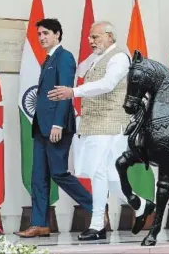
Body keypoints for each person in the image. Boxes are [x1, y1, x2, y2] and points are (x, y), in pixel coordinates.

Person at [47, 21, 152, 241]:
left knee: (98, 172)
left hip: (111, 124)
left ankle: (97, 225)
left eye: (95, 37)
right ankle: (140, 204)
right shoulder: (98, 58)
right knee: (107, 174)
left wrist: (73, 91)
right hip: (95, 124)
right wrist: (92, 57)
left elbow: (108, 84)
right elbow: (81, 70)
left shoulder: (119, 58)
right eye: (89, 38)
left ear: (110, 36)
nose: (90, 41)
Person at [14, 18, 92, 238]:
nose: (41, 38)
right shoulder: (47, 60)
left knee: (58, 173)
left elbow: (64, 93)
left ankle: (95, 209)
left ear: (57, 34)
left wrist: (58, 123)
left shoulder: (64, 57)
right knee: (37, 176)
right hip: (41, 127)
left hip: (57, 126)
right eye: (39, 34)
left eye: (45, 33)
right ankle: (39, 224)